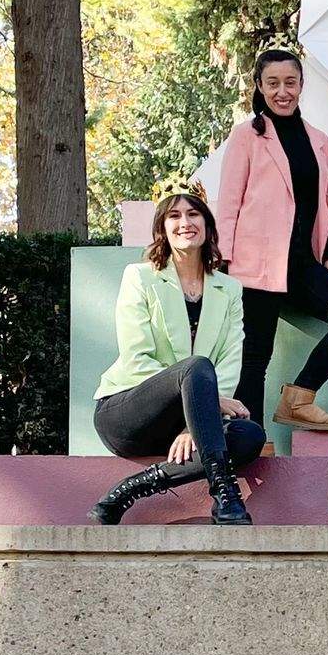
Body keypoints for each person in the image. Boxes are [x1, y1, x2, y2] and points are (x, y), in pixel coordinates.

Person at [214, 41, 328, 432]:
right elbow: (229, 203)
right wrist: (224, 262)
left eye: (290, 82)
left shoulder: (319, 140)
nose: (282, 91)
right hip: (255, 266)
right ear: (259, 86)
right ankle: (250, 441)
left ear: (301, 85)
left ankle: (299, 398)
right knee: (255, 356)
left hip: (303, 264)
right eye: (272, 83)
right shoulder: (246, 137)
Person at [90, 181, 265, 525]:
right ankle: (226, 495)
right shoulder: (139, 278)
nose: (185, 222)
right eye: (174, 215)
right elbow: (136, 355)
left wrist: (195, 424)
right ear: (162, 228)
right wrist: (197, 405)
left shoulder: (228, 290)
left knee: (251, 437)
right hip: (128, 411)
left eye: (193, 213)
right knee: (196, 367)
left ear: (207, 225)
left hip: (187, 418)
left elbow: (229, 362)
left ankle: (129, 490)